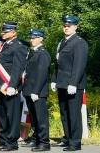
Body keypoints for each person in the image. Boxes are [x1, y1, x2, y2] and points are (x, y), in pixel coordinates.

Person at [52, 15, 88, 151]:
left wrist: (73, 83)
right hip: (62, 84)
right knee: (65, 113)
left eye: (69, 26)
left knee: (74, 114)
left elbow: (79, 65)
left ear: (76, 27)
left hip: (73, 86)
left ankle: (75, 142)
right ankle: (67, 138)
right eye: (65, 26)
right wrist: (54, 80)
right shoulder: (62, 42)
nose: (66, 28)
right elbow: (58, 64)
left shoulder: (79, 42)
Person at [0, 21, 27, 151]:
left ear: (14, 32)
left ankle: (12, 142)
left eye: (6, 31)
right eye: (3, 31)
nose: (3, 33)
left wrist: (13, 85)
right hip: (2, 86)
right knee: (2, 114)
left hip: (10, 87)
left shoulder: (19, 46)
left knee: (12, 116)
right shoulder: (5, 46)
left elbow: (18, 68)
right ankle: (4, 138)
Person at [23, 29, 51, 152]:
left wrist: (36, 91)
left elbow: (42, 74)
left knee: (41, 119)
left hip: (37, 92)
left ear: (41, 39)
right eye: (31, 38)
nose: (32, 40)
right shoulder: (33, 52)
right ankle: (37, 140)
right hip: (30, 90)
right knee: (35, 118)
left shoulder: (43, 54)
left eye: (35, 38)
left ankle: (44, 143)